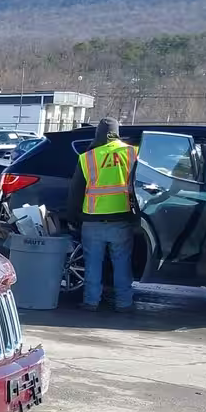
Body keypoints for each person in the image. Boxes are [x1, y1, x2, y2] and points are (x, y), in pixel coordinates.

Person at [66, 117, 137, 313]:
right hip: (121, 220)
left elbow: (76, 192)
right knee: (122, 263)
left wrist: (72, 217)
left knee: (93, 264)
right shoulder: (132, 153)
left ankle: (91, 302)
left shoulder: (88, 158)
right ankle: (124, 303)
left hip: (93, 221)